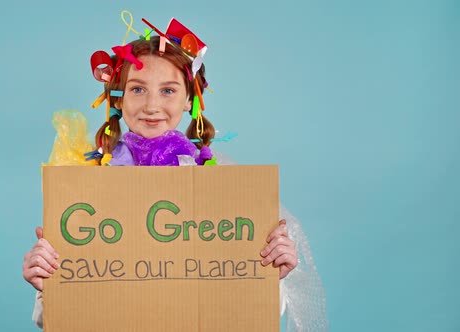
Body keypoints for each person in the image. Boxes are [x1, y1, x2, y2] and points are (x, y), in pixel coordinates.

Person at [23, 14, 327, 331]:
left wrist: (269, 273)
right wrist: (49, 285)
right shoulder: (86, 184)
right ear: (118, 97)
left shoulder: (223, 182)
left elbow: (245, 310)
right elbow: (51, 319)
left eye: (168, 90)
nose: (152, 105)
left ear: (189, 99)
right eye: (137, 89)